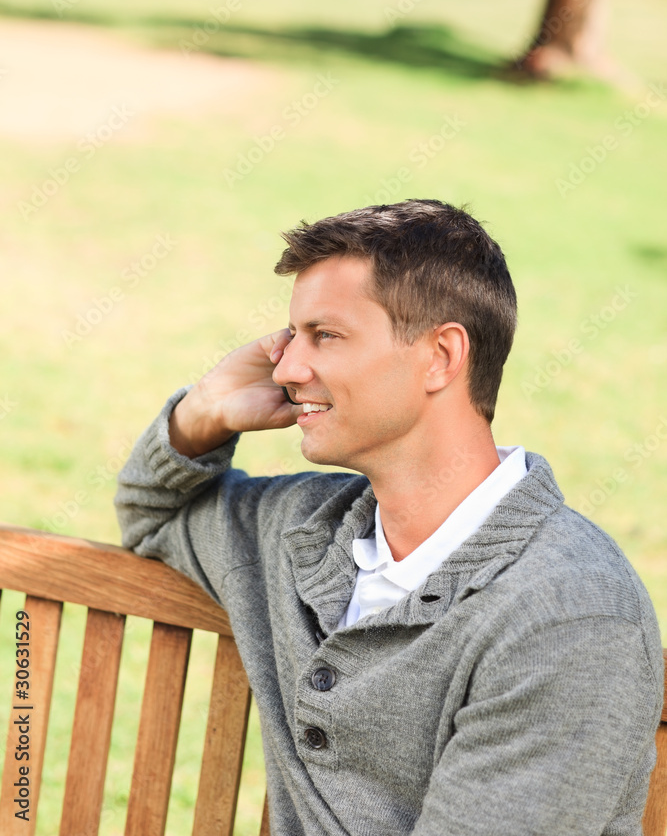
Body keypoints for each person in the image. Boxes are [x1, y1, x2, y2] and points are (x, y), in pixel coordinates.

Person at [115, 199, 663, 836]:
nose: (287, 368)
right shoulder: (303, 531)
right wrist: (203, 410)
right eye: (291, 336)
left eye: (327, 335)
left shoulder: (566, 616)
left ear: (441, 356)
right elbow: (152, 517)